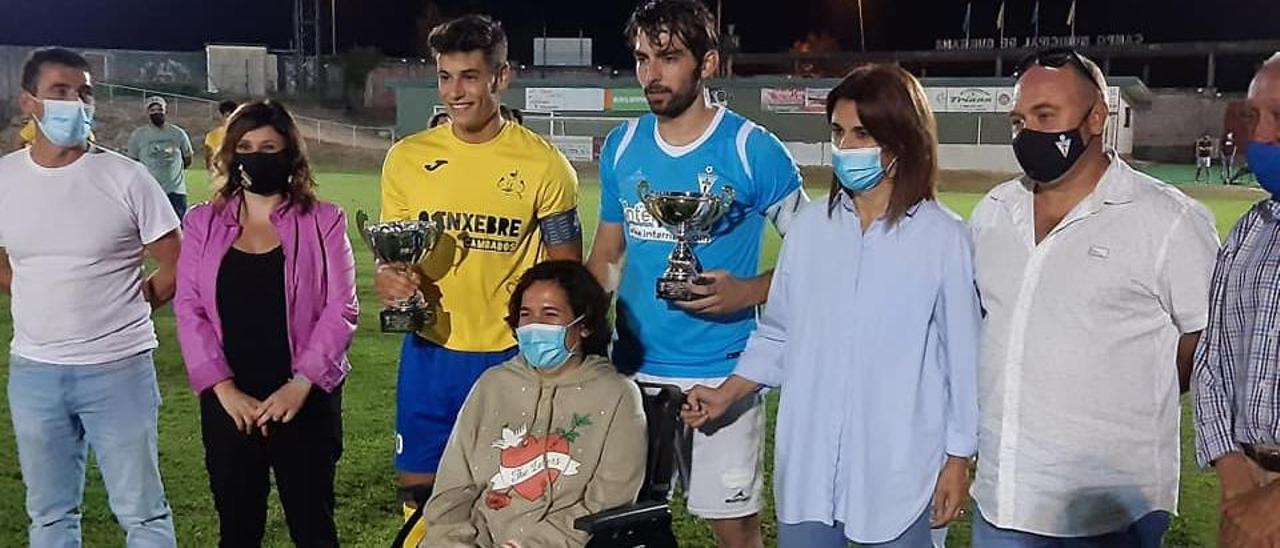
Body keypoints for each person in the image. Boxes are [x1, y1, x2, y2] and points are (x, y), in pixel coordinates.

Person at [681, 64, 979, 547]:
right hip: (809, 474)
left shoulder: (945, 239)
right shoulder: (811, 230)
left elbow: (963, 361)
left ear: (901, 140)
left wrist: (959, 458)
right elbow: (778, 332)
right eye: (839, 133)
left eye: (863, 134)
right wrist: (727, 393)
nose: (846, 148)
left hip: (897, 476)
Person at [968, 47, 1219, 546]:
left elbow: (1211, 335)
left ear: (1096, 118)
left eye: (1045, 116)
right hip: (1002, 496)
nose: (1028, 133)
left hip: (1111, 510)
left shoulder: (1167, 219)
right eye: (1019, 120)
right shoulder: (993, 213)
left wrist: (1134, 385)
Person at [585, 2, 807, 546]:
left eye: (668, 57)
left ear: (707, 63)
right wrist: (583, 332)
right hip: (632, 374)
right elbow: (608, 254)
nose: (651, 74)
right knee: (626, 528)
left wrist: (748, 292)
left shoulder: (753, 150)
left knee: (733, 531)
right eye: (641, 58)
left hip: (722, 374)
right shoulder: (623, 146)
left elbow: (819, 262)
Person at [376, 14, 583, 545]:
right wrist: (390, 279)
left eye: (469, 76)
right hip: (430, 350)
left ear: (501, 77)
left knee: (509, 496)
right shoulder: (406, 159)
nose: (455, 91)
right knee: (421, 491)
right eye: (445, 76)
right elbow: (395, 256)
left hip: (508, 358)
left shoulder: (544, 165)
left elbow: (566, 272)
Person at [0, 47, 180, 547]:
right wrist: (37, 294)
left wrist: (132, 303)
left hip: (118, 367)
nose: (75, 102)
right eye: (60, 91)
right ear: (29, 102)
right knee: (50, 516)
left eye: (84, 93)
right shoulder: (5, 179)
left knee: (143, 513)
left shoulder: (126, 177)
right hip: (34, 371)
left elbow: (176, 260)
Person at [174, 99, 358, 547]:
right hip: (230, 402)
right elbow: (189, 307)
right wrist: (223, 389)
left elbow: (342, 308)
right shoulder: (202, 222)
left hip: (303, 398)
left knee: (313, 528)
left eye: (269, 147)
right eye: (246, 146)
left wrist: (302, 383)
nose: (257, 156)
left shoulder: (324, 221)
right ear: (231, 154)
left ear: (290, 155)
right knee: (238, 529)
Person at [422, 260, 646, 547]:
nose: (535, 325)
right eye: (526, 314)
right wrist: (452, 541)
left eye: (550, 314)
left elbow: (608, 501)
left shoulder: (617, 396)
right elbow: (453, 486)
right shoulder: (492, 385)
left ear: (585, 325)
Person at [1193, 53, 1280, 547]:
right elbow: (1212, 360)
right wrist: (1236, 482)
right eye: (1254, 117)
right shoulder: (1252, 229)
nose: (1262, 137)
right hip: (1244, 481)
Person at [128, 95, 194, 220]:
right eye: (152, 110)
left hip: (175, 191)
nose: (156, 113)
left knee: (179, 228)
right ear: (147, 113)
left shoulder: (178, 133)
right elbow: (133, 162)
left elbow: (188, 157)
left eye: (159, 109)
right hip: (150, 191)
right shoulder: (138, 135)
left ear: (165, 110)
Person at [203, 99, 239, 171]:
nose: (229, 119)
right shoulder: (212, 136)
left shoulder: (245, 134)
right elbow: (208, 159)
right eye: (227, 116)